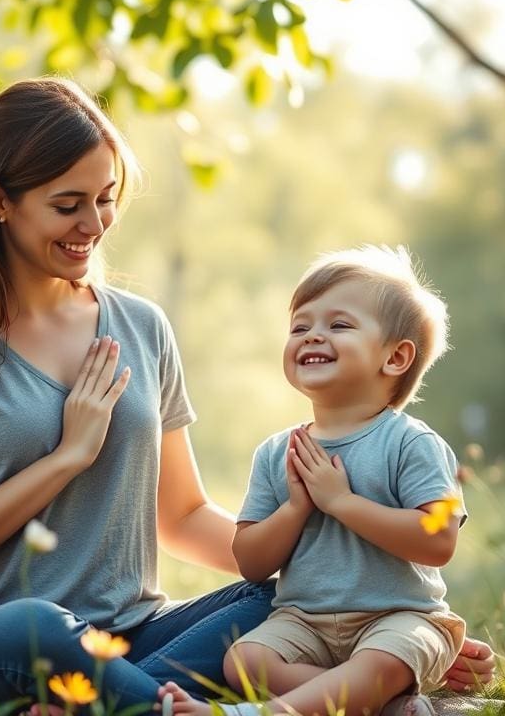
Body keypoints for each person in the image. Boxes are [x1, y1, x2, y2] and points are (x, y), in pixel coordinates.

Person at [0, 78, 494, 716]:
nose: (93, 225)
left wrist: (389, 625)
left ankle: (109, 704)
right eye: (67, 205)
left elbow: (184, 515)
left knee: (269, 599)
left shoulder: (142, 328)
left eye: (106, 199)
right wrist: (65, 457)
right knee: (38, 628)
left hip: (134, 642)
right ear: (0, 201)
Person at [160, 246, 472, 716]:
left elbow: (440, 539)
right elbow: (250, 562)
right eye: (300, 326)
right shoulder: (276, 452)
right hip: (305, 621)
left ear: (396, 357)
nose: (312, 337)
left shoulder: (414, 444)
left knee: (379, 663)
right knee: (243, 661)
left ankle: (248, 714)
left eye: (338, 325)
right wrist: (295, 509)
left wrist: (342, 503)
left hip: (399, 618)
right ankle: (382, 706)